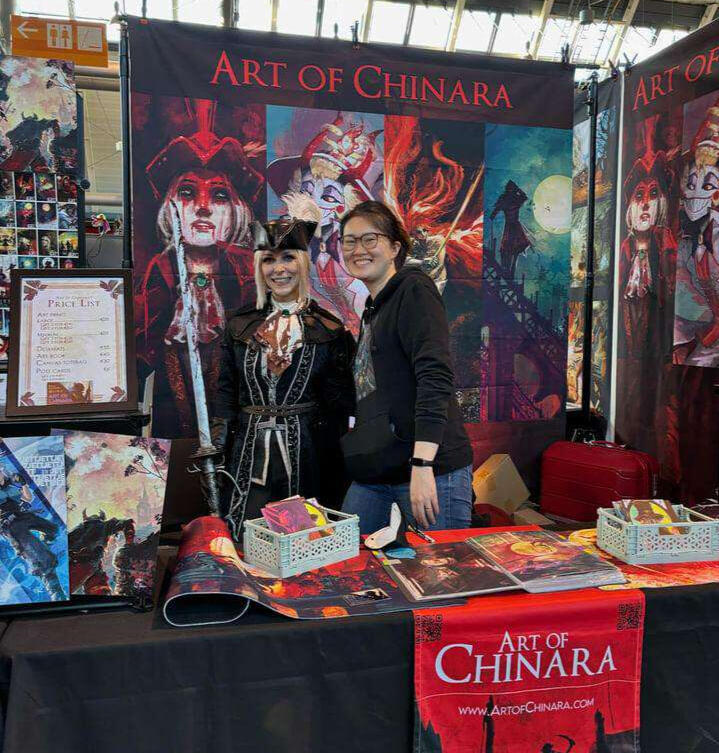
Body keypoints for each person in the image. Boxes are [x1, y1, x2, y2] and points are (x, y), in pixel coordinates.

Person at [211, 218, 356, 540]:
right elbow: (226, 392)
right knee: (247, 537)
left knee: (304, 541)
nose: (279, 269)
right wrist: (217, 444)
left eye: (288, 257)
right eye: (269, 260)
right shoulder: (240, 326)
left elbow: (342, 402)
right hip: (248, 452)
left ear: (303, 262)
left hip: (307, 453)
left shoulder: (330, 329)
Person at [340, 201, 473, 533]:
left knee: (440, 563)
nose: (358, 249)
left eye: (370, 239)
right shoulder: (373, 308)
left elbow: (435, 376)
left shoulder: (413, 290)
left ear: (395, 248)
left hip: (430, 469)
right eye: (349, 241)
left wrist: (423, 464)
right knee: (348, 553)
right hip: (379, 469)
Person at [135, 99, 262, 438]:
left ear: (236, 210)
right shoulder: (154, 279)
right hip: (170, 431)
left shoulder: (250, 280)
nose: (203, 207)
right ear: (170, 206)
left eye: (219, 196)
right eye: (188, 193)